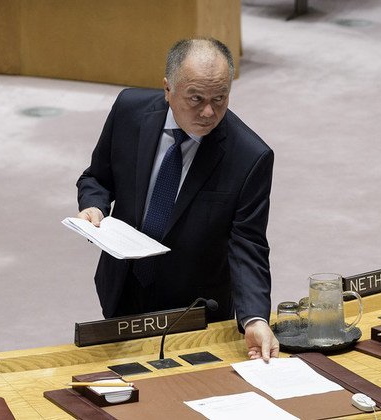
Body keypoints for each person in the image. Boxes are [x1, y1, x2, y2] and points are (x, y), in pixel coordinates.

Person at [76, 38, 279, 361]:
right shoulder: (129, 110)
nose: (209, 112)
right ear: (168, 88)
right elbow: (98, 177)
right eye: (196, 98)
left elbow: (248, 244)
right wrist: (93, 205)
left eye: (220, 98)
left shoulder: (249, 157)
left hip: (195, 308)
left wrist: (254, 318)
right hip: (123, 286)